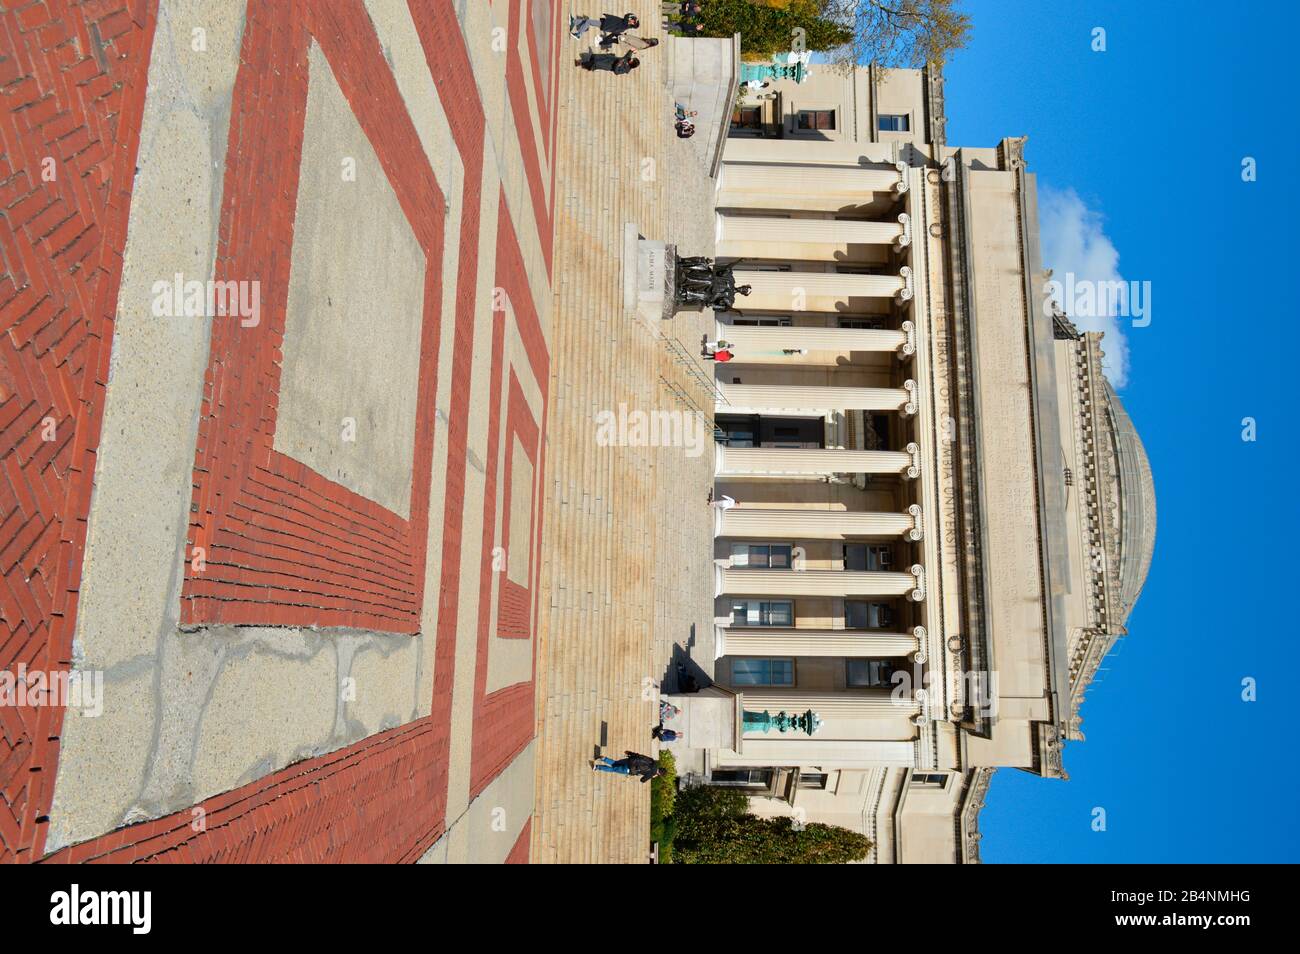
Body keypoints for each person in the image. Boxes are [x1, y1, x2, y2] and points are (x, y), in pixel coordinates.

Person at [592, 751, 663, 782]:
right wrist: (652, 776)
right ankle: (597, 767)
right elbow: (642, 780)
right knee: (613, 769)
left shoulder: (653, 761)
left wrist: (631, 753)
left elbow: (642, 756)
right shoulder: (652, 773)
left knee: (615, 763)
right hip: (629, 769)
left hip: (630, 760)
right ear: (659, 774)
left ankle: (604, 758)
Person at [570, 12, 638, 40]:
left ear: (633, 24)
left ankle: (578, 34)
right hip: (606, 23)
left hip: (606, 25)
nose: (632, 19)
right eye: (633, 19)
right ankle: (574, 21)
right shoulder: (626, 24)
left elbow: (626, 16)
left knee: (588, 21)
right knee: (588, 22)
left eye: (633, 21)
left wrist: (631, 14)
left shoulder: (626, 25)